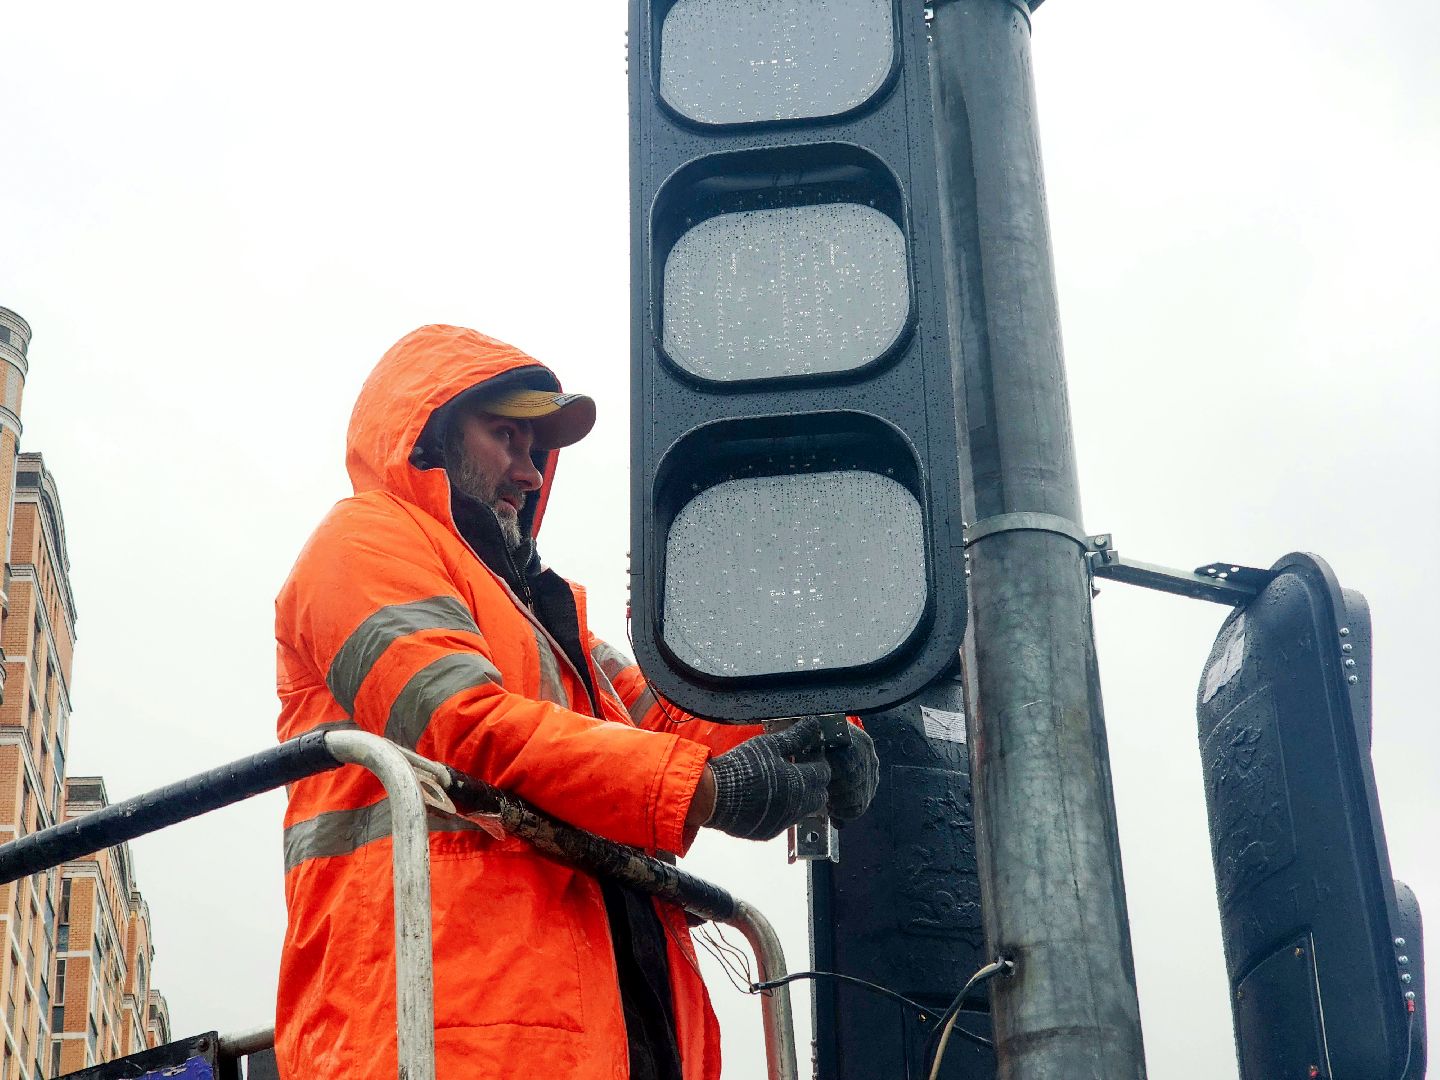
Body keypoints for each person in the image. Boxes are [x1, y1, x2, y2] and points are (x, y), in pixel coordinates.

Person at [273, 324, 879, 1080]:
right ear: (429, 435)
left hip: (589, 1026)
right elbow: (462, 725)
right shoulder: (362, 541)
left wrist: (813, 731)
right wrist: (711, 790)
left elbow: (675, 723)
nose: (530, 473)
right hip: (448, 1029)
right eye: (507, 437)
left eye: (535, 450)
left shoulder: (551, 622)